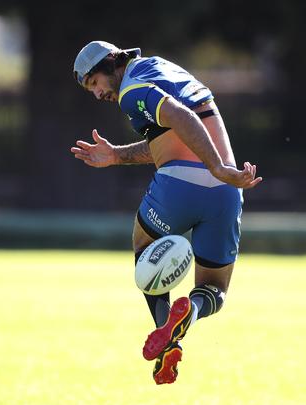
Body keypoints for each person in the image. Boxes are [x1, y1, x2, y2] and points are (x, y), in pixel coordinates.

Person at [70, 40, 261, 385]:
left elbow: (179, 116)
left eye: (95, 83)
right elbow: (168, 137)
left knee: (144, 250)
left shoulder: (132, 88)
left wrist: (216, 166)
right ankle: (188, 315)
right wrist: (116, 155)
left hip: (182, 184)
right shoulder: (160, 69)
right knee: (214, 288)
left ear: (112, 63)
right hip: (226, 194)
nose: (97, 93)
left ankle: (164, 334)